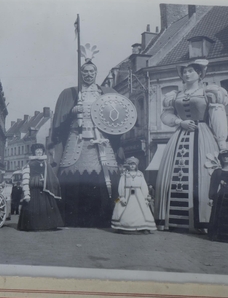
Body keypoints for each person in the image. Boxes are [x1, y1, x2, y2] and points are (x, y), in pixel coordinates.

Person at [154, 58, 228, 232]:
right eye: (185, 71)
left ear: (200, 74)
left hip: (203, 136)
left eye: (191, 71)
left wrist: (221, 143)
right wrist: (180, 122)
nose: (187, 74)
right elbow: (165, 117)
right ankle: (172, 220)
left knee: (202, 173)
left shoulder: (209, 92)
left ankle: (203, 221)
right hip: (179, 135)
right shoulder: (175, 95)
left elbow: (218, 117)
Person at [52, 59, 120, 228]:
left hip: (100, 140)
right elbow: (60, 121)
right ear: (80, 74)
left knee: (105, 179)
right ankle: (72, 218)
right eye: (85, 72)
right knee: (72, 177)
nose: (88, 75)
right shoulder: (72, 93)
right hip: (77, 139)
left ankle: (104, 218)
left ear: (96, 73)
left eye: (91, 72)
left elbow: (117, 115)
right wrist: (72, 112)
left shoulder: (106, 92)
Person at [18, 144, 63, 231]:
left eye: (40, 150)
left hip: (44, 188)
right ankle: (33, 226)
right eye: (37, 150)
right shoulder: (29, 164)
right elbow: (26, 177)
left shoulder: (46, 163)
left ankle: (47, 225)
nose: (39, 151)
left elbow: (51, 176)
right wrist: (26, 193)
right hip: (33, 188)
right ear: (34, 152)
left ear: (43, 151)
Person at [111, 157, 156, 233]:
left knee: (141, 210)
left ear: (136, 165)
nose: (132, 166)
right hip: (127, 194)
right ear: (128, 165)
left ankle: (142, 227)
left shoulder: (140, 174)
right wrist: (122, 197)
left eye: (134, 164)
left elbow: (143, 186)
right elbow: (121, 185)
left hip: (138, 194)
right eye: (131, 164)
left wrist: (145, 196)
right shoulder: (124, 175)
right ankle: (123, 227)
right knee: (122, 208)